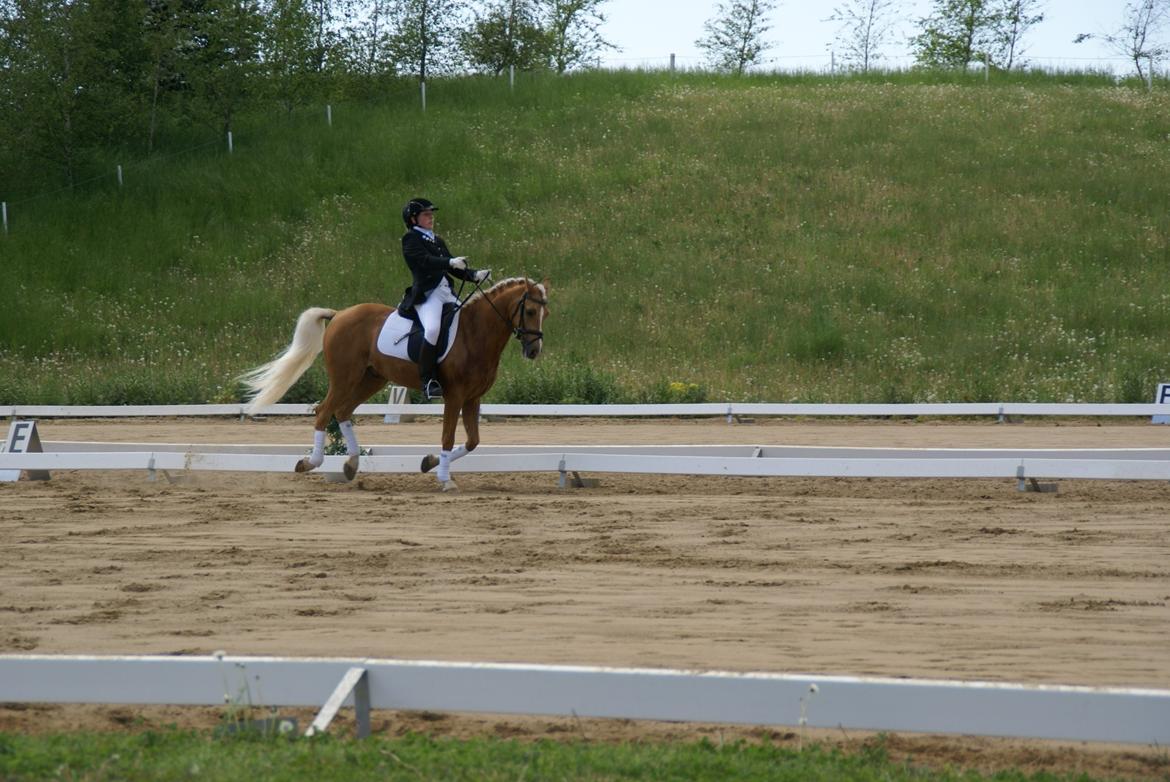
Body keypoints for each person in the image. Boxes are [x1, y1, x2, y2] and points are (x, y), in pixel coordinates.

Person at [397, 198, 490, 399]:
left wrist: (474, 276)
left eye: (432, 214)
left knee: (468, 322)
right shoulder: (410, 240)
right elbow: (424, 261)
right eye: (426, 215)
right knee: (432, 329)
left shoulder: (437, 240)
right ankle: (428, 380)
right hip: (428, 296)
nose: (431, 218)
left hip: (447, 294)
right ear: (414, 219)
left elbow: (452, 268)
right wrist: (449, 261)